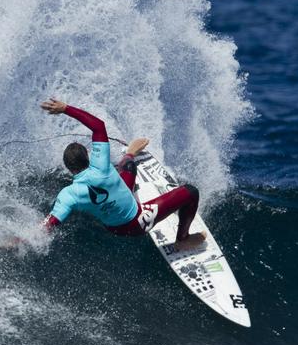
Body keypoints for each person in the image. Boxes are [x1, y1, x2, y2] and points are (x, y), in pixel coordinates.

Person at [37, 98, 204, 249]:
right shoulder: (100, 165)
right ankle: (182, 239)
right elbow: (98, 126)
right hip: (137, 222)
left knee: (129, 167)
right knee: (191, 191)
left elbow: (49, 224)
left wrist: (20, 240)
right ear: (88, 156)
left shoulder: (68, 195)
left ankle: (130, 153)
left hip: (114, 228)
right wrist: (65, 108)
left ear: (69, 168)